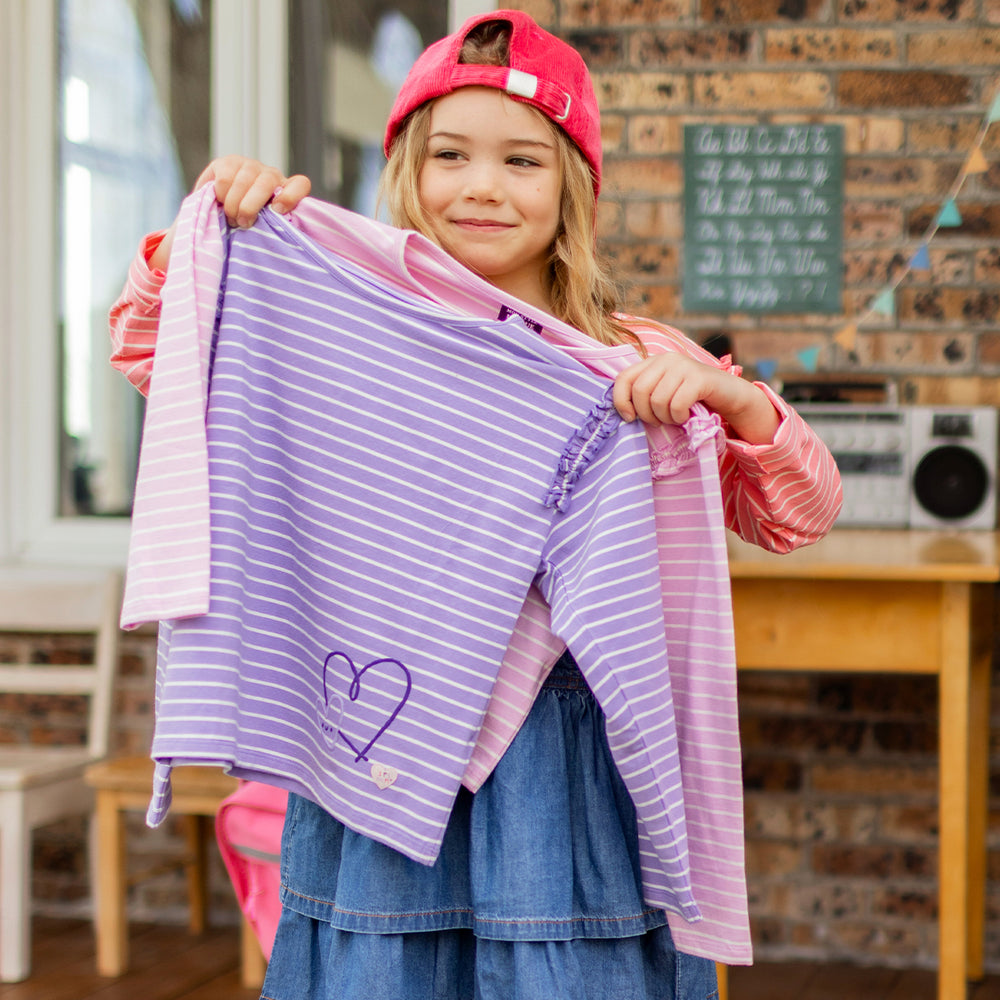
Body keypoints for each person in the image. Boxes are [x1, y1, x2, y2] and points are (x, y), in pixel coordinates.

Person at [109, 11, 841, 1000]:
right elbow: (159, 354)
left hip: (562, 773)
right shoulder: (352, 325)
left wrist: (734, 400)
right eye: (449, 154)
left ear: (572, 187)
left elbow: (799, 511)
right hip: (374, 738)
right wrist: (204, 242)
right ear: (408, 171)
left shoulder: (630, 361)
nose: (482, 186)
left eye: (521, 161)